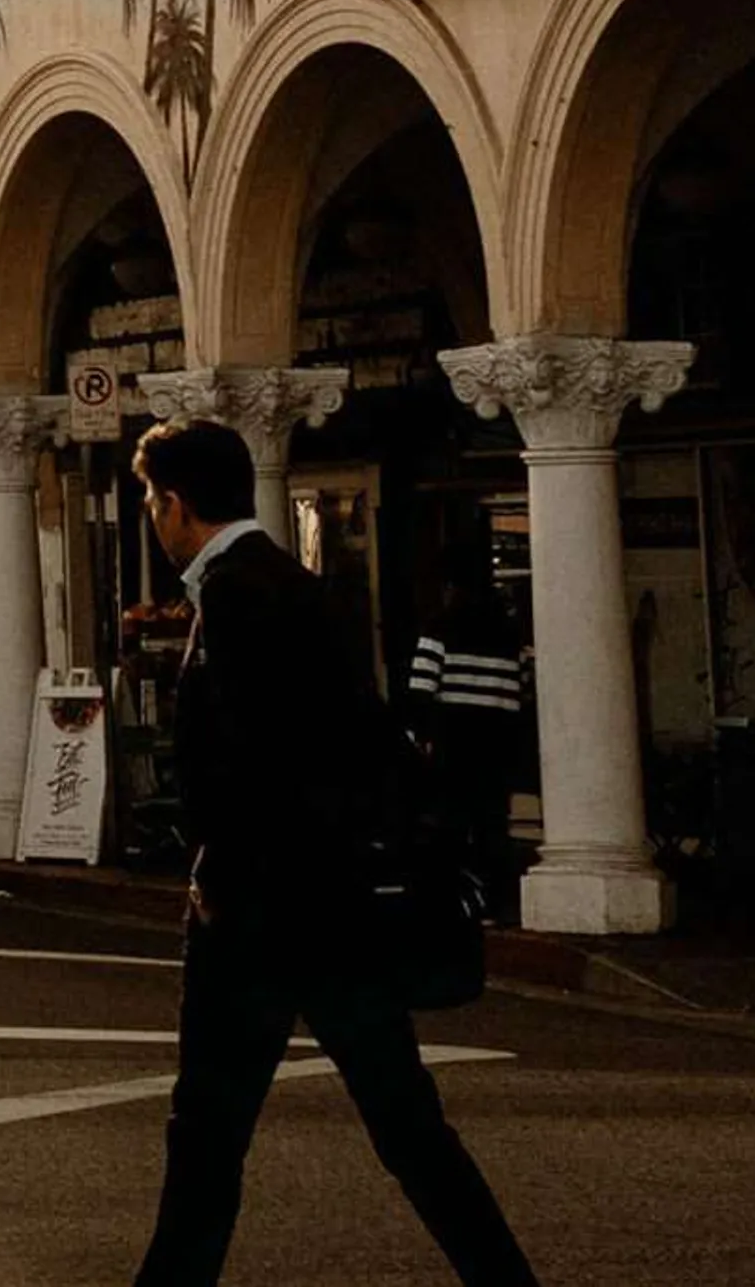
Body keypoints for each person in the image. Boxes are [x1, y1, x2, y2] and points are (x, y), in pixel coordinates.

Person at [129, 418, 535, 1287]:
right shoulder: (294, 585)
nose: (151, 518)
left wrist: (217, 873)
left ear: (176, 502)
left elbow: (255, 758)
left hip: (261, 920)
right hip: (342, 908)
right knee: (406, 1125)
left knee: (207, 1132)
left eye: (150, 500)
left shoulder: (236, 596)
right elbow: (361, 737)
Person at [404, 568, 524, 897]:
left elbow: (421, 690)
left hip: (453, 741)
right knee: (492, 824)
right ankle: (497, 896)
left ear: (451, 587)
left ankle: (454, 896)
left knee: (449, 825)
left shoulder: (439, 628)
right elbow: (517, 694)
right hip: (496, 742)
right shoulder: (507, 635)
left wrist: (419, 735)